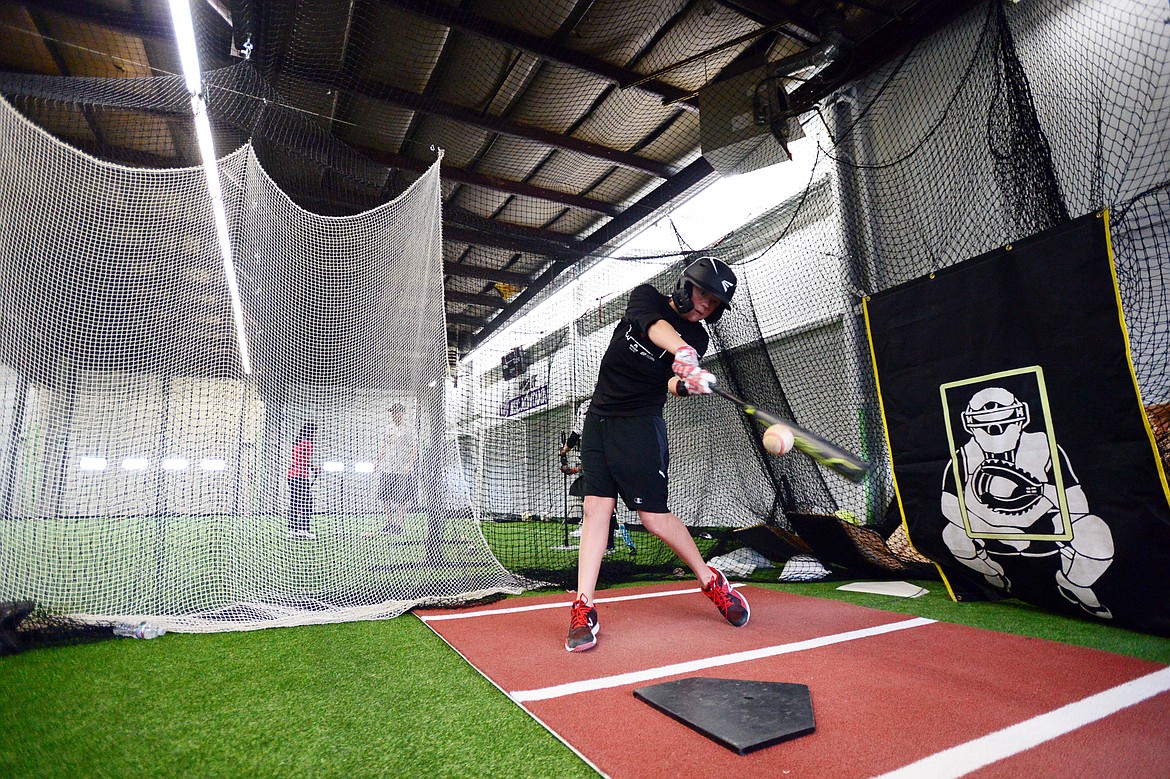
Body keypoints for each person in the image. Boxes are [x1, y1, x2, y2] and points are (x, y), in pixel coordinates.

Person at [566, 256, 750, 652]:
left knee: (652, 518)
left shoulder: (698, 339)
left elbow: (668, 382)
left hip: (639, 425)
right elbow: (653, 326)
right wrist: (682, 350)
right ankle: (583, 606)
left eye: (715, 302)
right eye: (704, 294)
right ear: (687, 285)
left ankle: (710, 579)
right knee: (596, 509)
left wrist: (689, 384)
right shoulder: (645, 298)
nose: (706, 305)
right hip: (600, 419)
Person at [558, 396, 625, 555]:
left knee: (596, 503)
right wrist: (573, 470)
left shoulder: (589, 405)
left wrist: (563, 451)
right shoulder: (615, 405)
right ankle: (607, 542)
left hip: (602, 465)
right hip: (610, 462)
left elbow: (575, 435)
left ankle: (603, 542)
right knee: (604, 503)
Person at [366, 403, 418, 537]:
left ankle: (399, 525)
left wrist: (409, 464)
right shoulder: (388, 428)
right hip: (388, 468)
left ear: (402, 413)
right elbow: (384, 445)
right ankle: (390, 524)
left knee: (405, 498)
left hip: (403, 470)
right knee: (384, 496)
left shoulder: (410, 428)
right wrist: (377, 462)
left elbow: (414, 448)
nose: (394, 415)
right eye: (392, 412)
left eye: (396, 412)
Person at [287, 422, 320, 540]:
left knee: (295, 502)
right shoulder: (308, 443)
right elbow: (306, 461)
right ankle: (304, 529)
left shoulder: (296, 442)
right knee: (307, 503)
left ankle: (292, 529)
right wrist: (315, 468)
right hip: (301, 476)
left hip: (291, 476)